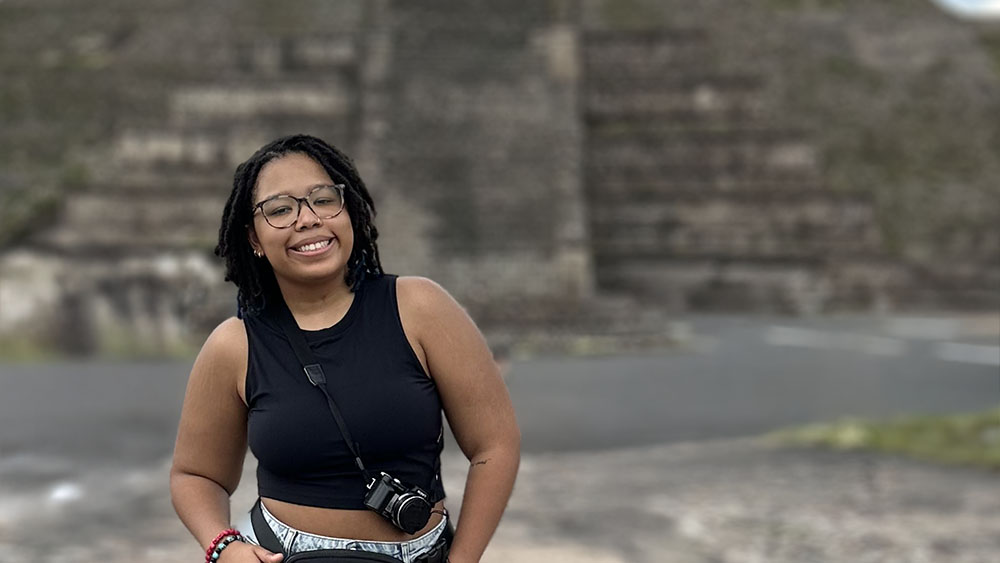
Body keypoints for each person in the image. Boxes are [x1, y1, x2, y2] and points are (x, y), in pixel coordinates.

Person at [170, 134, 520, 563]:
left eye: (323, 199)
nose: (308, 219)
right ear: (253, 238)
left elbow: (495, 445)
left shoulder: (421, 308)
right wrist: (222, 547)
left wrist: (461, 561)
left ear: (348, 210)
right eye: (280, 210)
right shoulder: (234, 345)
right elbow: (195, 475)